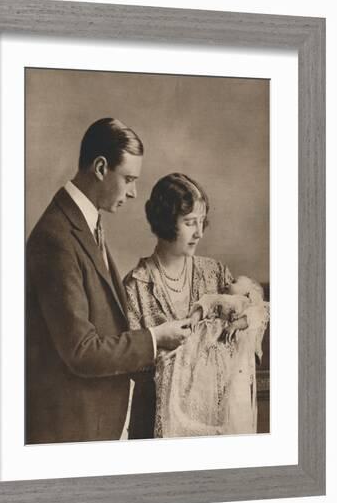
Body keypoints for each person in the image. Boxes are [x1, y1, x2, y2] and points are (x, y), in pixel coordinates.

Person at [26, 119, 190, 444]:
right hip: (70, 432)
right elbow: (82, 351)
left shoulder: (85, 224)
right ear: (101, 167)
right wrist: (154, 339)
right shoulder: (56, 236)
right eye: (128, 179)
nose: (133, 192)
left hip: (94, 423)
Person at [124, 172, 269, 438]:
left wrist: (244, 323)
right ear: (167, 221)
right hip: (156, 424)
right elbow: (131, 361)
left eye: (202, 222)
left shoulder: (216, 273)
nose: (200, 233)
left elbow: (253, 315)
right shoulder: (137, 286)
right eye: (190, 223)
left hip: (217, 420)